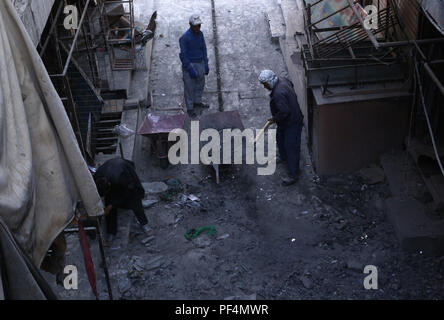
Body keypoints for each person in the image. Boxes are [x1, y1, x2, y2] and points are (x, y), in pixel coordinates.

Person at [258, 70, 304, 186]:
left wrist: (274, 118)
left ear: (270, 81)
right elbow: (291, 85)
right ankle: (283, 157)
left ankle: (294, 174)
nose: (265, 86)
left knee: (291, 147)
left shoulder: (278, 94)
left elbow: (285, 112)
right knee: (280, 139)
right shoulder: (283, 80)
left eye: (265, 84)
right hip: (285, 122)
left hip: (292, 122)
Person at [94, 158, 152, 241]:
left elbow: (127, 192)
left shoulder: (120, 178)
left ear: (109, 184)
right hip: (112, 169)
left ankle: (144, 223)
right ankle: (111, 232)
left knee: (135, 200)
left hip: (125, 172)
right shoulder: (97, 177)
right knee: (109, 203)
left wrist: (112, 205)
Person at [179, 13, 210, 118]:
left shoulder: (200, 35)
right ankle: (190, 108)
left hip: (200, 63)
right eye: (196, 25)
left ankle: (197, 102)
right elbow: (183, 55)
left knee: (200, 84)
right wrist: (189, 68)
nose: (198, 27)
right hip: (190, 65)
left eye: (199, 25)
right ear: (190, 25)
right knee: (189, 88)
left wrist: (206, 63)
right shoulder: (184, 38)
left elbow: (204, 49)